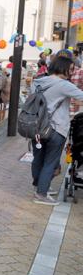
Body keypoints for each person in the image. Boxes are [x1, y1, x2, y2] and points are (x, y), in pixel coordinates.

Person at [31, 56, 83, 205]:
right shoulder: (64, 85)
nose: (72, 72)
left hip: (36, 127)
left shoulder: (38, 82)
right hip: (56, 128)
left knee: (38, 159)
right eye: (71, 69)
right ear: (62, 67)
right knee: (51, 162)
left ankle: (39, 187)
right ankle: (41, 194)